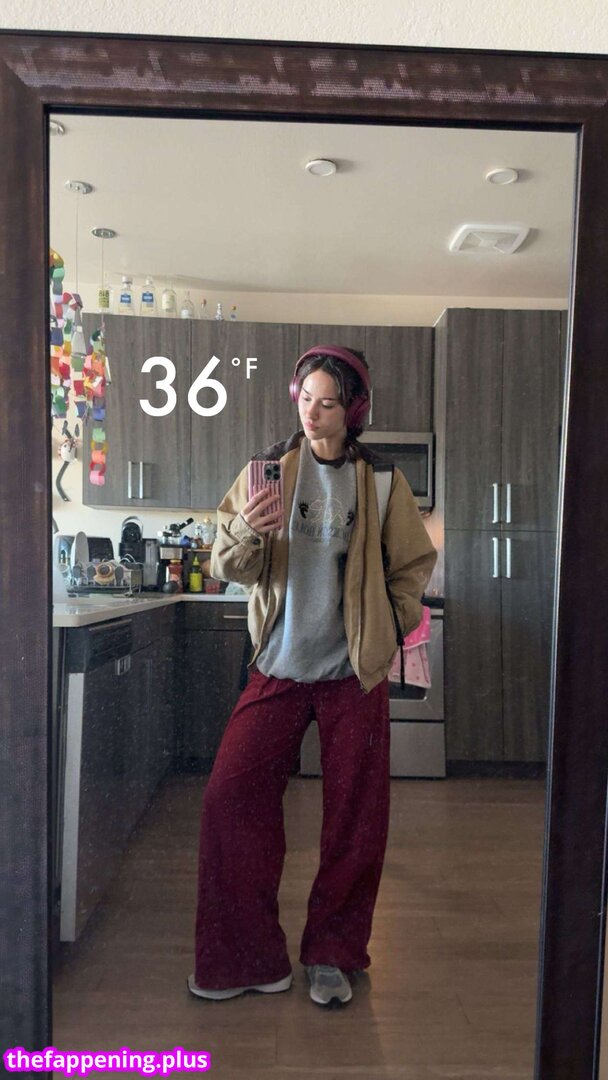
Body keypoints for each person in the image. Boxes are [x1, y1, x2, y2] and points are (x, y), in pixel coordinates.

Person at [188, 345, 437, 1007]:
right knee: (229, 798)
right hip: (278, 665)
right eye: (306, 399)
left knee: (355, 817)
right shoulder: (268, 472)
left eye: (328, 403)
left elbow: (412, 566)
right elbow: (226, 566)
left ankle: (334, 953)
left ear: (354, 410)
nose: (314, 413)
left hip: (352, 674)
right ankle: (247, 958)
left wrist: (388, 621)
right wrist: (245, 528)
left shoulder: (381, 482)